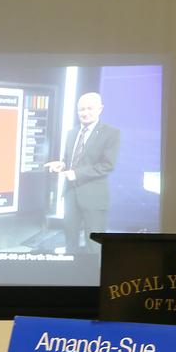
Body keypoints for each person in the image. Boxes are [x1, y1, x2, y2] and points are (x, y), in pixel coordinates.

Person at [46, 92, 120, 251]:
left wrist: (77, 174)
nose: (85, 113)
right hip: (70, 196)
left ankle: (93, 275)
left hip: (94, 198)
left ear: (100, 109)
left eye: (89, 109)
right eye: (81, 109)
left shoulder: (111, 133)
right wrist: (62, 164)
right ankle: (72, 275)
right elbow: (70, 161)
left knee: (94, 246)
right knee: (70, 244)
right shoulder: (72, 133)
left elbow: (107, 165)